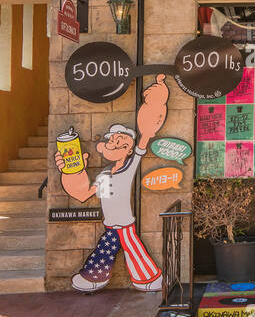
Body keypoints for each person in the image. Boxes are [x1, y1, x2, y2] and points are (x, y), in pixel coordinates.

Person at [54, 76, 170, 293]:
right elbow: (83, 193)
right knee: (107, 250)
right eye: (112, 141)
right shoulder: (105, 174)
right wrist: (71, 172)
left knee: (133, 249)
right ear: (103, 146)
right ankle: (98, 278)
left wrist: (155, 105)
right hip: (111, 224)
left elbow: (144, 139)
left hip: (124, 223)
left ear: (129, 150)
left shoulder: (130, 166)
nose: (115, 144)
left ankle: (147, 279)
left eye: (122, 143)